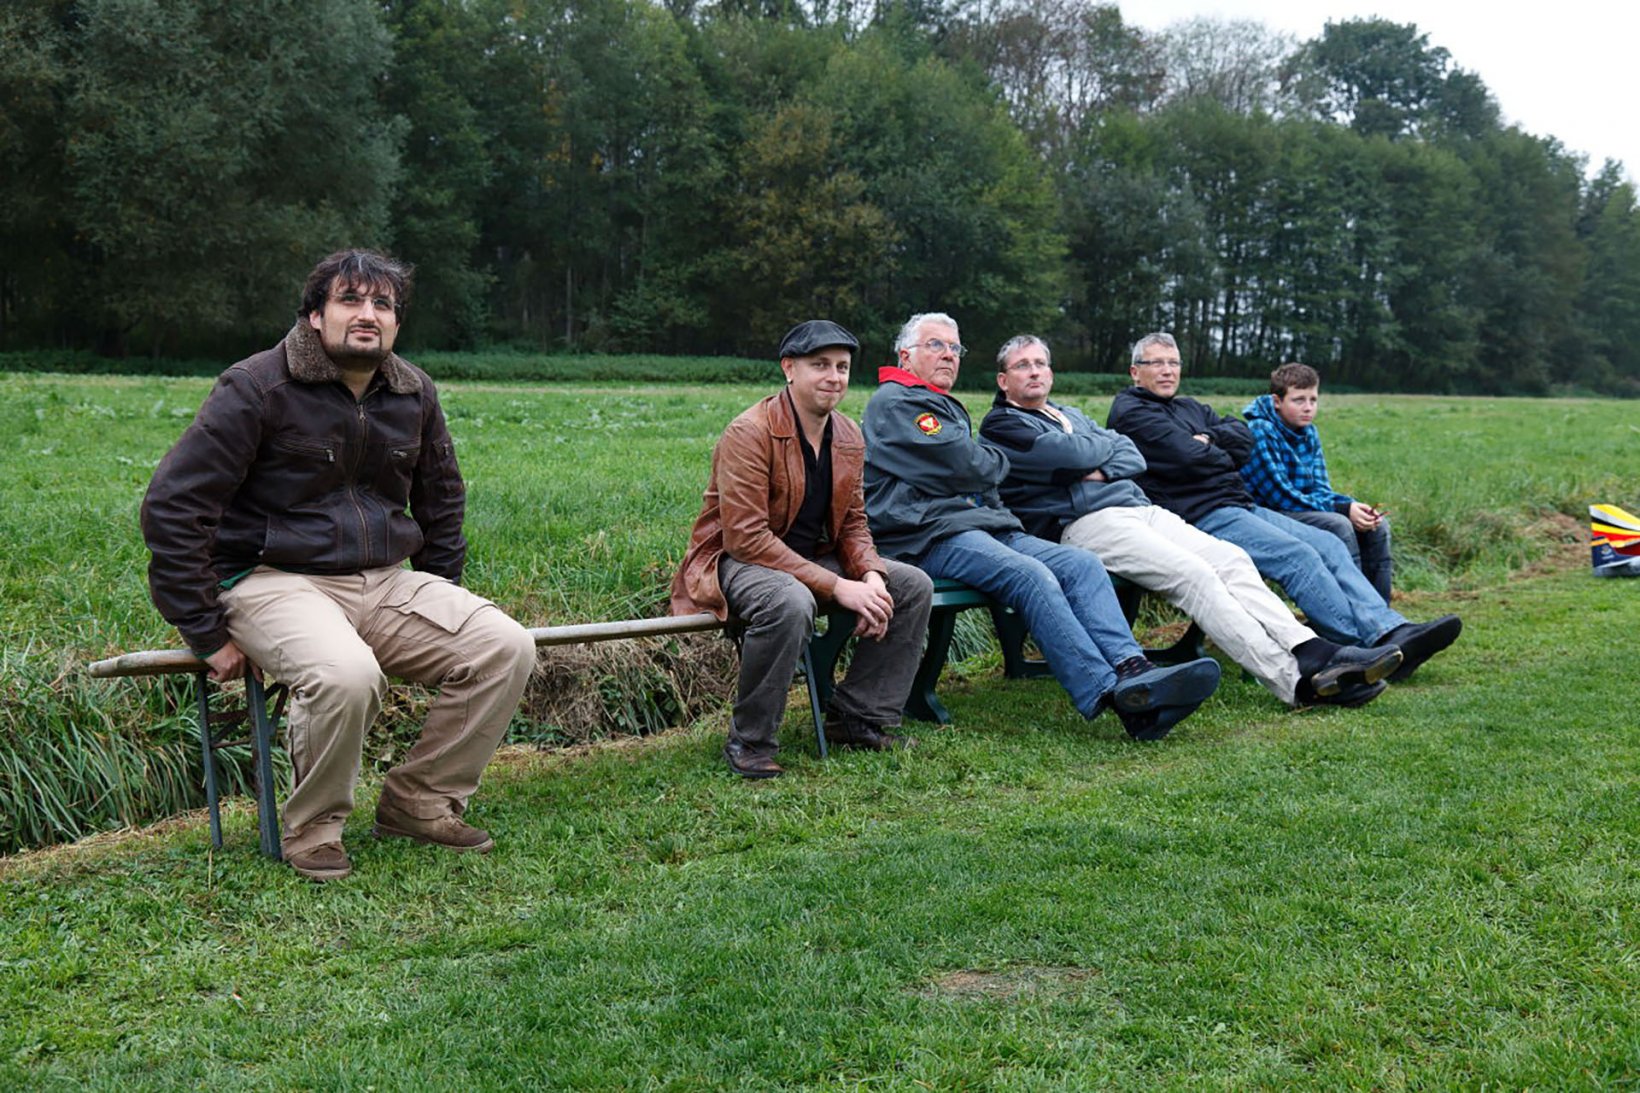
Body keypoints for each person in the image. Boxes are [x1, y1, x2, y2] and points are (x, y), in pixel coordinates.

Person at [141, 249, 538, 882]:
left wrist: (437, 593)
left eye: (383, 304)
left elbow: (442, 503)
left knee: (504, 646)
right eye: (350, 300)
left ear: (397, 322)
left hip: (384, 579)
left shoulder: (412, 391)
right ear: (314, 314)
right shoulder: (257, 386)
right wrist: (205, 630)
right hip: (271, 579)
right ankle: (315, 829)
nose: (367, 315)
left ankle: (419, 803)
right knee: (346, 674)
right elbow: (173, 506)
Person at [979, 335, 1401, 709]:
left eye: (1040, 363)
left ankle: (1312, 650)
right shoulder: (1003, 424)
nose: (1034, 371)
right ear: (1003, 380)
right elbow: (1069, 455)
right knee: (1195, 576)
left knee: (1231, 560)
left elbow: (1131, 454)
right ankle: (1295, 682)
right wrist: (1097, 453)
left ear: (1051, 373)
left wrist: (1097, 462)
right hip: (1086, 522)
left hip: (1141, 510)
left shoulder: (1069, 413)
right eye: (1022, 366)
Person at [862, 312, 1221, 741]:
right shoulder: (898, 402)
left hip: (980, 525)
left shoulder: (934, 401)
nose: (948, 355)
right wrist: (991, 463)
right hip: (928, 534)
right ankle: (1112, 694)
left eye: (955, 348)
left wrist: (981, 468)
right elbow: (966, 465)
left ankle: (1133, 668)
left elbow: (968, 470)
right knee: (1029, 575)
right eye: (935, 345)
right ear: (905, 356)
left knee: (1081, 564)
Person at [1107, 332, 1460, 680]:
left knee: (1328, 543)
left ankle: (1389, 630)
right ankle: (1364, 648)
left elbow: (1243, 439)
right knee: (1297, 557)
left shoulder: (1188, 407)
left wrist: (1209, 439)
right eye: (1156, 363)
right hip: (1198, 516)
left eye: (1174, 362)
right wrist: (1214, 450)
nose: (1167, 370)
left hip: (1237, 504)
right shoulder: (1132, 412)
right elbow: (1188, 456)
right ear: (1135, 372)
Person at [671, 320, 934, 779]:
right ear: (789, 369)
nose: (834, 377)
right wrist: (839, 586)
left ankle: (858, 718)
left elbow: (853, 523)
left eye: (842, 367)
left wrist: (871, 575)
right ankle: (751, 741)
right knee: (789, 600)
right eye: (820, 365)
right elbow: (746, 538)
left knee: (910, 584)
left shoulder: (848, 434)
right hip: (736, 560)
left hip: (809, 557)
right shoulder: (749, 432)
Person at [1241, 363, 1393, 600]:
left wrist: (1352, 506)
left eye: (1313, 400)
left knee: (1378, 527)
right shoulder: (1260, 429)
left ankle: (1382, 612)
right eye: (1299, 400)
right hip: (1267, 512)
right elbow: (1280, 495)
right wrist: (1342, 509)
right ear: (1277, 401)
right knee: (1339, 525)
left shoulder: (1309, 431)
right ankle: (1352, 608)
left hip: (1300, 507)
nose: (1308, 407)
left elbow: (1320, 488)